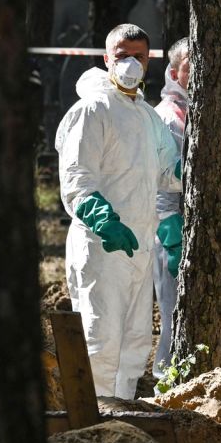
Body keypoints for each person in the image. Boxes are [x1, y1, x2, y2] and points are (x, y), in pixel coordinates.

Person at [55, 24, 182, 399]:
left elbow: (165, 172)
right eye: (122, 56)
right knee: (101, 333)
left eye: (138, 57)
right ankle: (93, 415)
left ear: (149, 61)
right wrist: (102, 218)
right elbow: (77, 175)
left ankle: (122, 409)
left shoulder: (146, 115)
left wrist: (194, 171)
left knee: (135, 336)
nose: (130, 64)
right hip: (101, 245)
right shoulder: (92, 110)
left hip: (140, 243)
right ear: (106, 58)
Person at [151, 37, 221, 386]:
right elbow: (162, 187)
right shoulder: (167, 119)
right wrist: (172, 235)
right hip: (177, 230)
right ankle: (170, 385)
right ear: (175, 72)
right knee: (178, 315)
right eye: (190, 63)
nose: (198, 69)